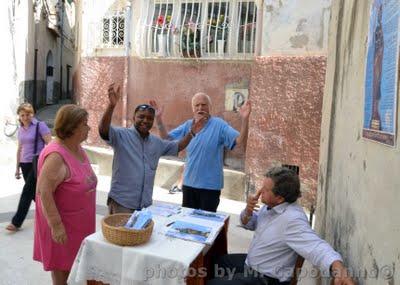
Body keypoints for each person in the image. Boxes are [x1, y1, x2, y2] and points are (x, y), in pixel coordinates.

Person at [207, 166, 355, 285]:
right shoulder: (269, 206)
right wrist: (248, 211)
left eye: (265, 190)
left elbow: (317, 247)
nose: (259, 192)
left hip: (265, 278)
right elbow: (250, 224)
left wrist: (338, 269)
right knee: (213, 262)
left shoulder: (293, 220)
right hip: (252, 264)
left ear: (279, 198)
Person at [99, 84, 206, 214]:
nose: (145, 120)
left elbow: (178, 146)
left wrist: (192, 133)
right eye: (141, 117)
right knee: (121, 235)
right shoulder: (121, 135)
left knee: (142, 235)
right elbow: (104, 131)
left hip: (145, 206)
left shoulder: (156, 143)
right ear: (134, 118)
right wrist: (111, 106)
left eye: (149, 118)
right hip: (122, 204)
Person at [153, 92, 251, 212]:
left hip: (210, 187)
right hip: (189, 185)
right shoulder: (188, 125)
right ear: (193, 108)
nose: (200, 108)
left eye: (203, 105)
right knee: (188, 224)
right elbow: (167, 139)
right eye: (197, 105)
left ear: (210, 107)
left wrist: (245, 120)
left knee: (207, 224)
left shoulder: (219, 125)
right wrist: (158, 120)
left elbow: (239, 143)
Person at [33, 105, 97, 285]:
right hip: (62, 228)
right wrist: (56, 225)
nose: (89, 128)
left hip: (78, 225)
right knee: (62, 274)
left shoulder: (76, 148)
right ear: (72, 127)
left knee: (75, 271)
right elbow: (43, 191)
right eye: (85, 124)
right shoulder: (56, 156)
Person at [6, 103, 51, 232]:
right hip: (24, 163)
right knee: (33, 193)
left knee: (27, 191)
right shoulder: (20, 129)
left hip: (37, 162)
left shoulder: (39, 126)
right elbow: (20, 149)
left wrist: (46, 160)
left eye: (28, 114)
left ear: (33, 114)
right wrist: (17, 167)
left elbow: (50, 143)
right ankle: (50, 210)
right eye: (22, 115)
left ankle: (16, 222)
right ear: (19, 117)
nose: (25, 117)